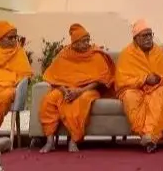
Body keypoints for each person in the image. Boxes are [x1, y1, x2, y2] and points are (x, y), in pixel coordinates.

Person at [114, 19, 163, 152]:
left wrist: (158, 79)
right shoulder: (127, 54)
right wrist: (144, 79)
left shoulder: (158, 52)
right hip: (134, 89)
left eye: (150, 35)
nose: (149, 38)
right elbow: (122, 80)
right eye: (145, 36)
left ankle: (149, 136)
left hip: (156, 88)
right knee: (129, 97)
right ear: (136, 38)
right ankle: (147, 135)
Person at [39, 23, 115, 154]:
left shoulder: (95, 55)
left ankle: (74, 140)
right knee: (49, 99)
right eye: (83, 41)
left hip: (88, 89)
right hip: (66, 89)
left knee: (82, 101)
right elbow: (54, 77)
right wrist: (64, 90)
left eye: (87, 40)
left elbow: (101, 80)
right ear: (74, 43)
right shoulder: (64, 55)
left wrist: (80, 91)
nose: (87, 44)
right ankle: (50, 141)